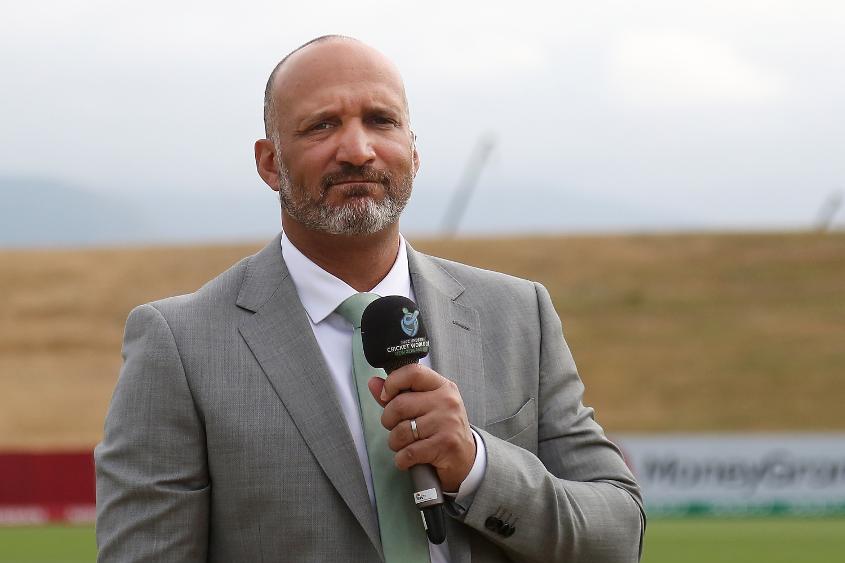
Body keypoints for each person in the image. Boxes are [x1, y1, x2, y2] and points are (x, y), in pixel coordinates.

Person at [95, 35, 644, 562]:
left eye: (381, 121)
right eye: (321, 125)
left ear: (414, 151)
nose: (357, 151)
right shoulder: (182, 347)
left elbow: (617, 536)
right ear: (269, 163)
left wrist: (477, 467)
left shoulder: (518, 315)